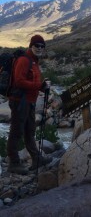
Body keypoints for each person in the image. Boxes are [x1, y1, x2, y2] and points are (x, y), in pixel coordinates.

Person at [7, 34, 52, 175]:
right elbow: (19, 81)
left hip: (29, 102)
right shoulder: (24, 60)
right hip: (20, 102)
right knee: (16, 132)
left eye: (42, 46)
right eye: (36, 45)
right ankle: (14, 163)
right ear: (30, 46)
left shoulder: (34, 61)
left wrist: (42, 86)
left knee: (29, 131)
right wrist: (39, 85)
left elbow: (33, 83)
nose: (39, 48)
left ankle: (37, 158)